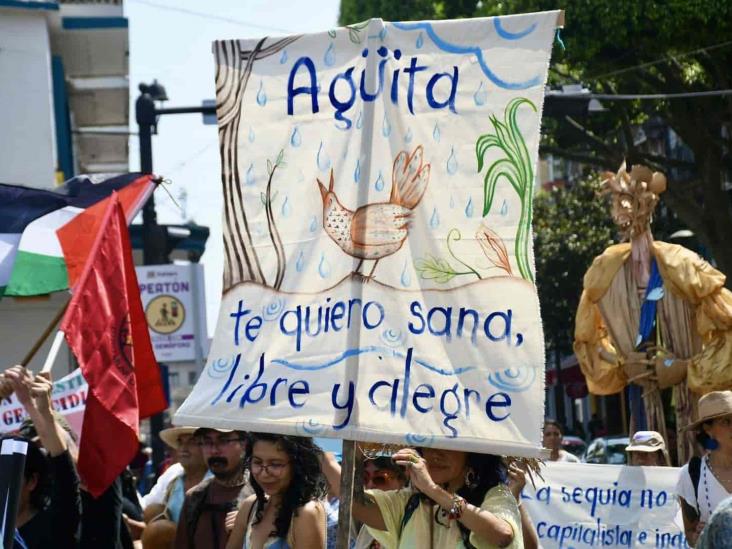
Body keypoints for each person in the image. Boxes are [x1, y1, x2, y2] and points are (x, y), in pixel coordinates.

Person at [324, 446, 522, 548]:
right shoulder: (407, 502)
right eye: (428, 444)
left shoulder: (495, 495)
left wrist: (433, 490)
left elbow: (502, 535)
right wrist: (323, 458)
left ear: (471, 454)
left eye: (448, 445)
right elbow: (354, 501)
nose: (435, 454)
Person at [4, 366, 81, 549]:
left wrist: (36, 407)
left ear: (31, 481)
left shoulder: (57, 520)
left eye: (7, 476)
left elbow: (63, 464)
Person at [226, 433, 327, 548]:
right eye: (257, 462)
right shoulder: (250, 506)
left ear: (298, 466)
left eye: (275, 464)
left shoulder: (306, 513)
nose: (264, 474)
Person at [175, 427, 251, 549]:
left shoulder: (261, 495)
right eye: (207, 442)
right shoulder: (195, 497)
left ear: (244, 444)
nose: (214, 450)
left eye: (223, 441)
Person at [677, 390, 732, 547]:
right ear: (708, 429)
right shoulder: (691, 475)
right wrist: (698, 537)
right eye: (726, 422)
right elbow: (690, 535)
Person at [353, 455, 409, 549]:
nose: (370, 485)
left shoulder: (406, 515)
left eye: (380, 479)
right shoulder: (365, 521)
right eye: (364, 478)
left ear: (401, 480)